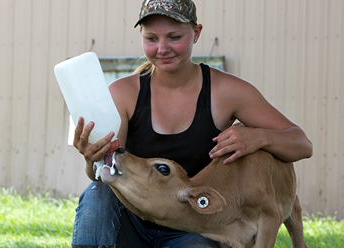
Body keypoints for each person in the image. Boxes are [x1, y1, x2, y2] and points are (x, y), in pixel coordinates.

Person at [70, 0, 313, 247]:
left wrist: (259, 137)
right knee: (97, 195)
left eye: (174, 37)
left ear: (196, 33)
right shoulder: (123, 92)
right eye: (151, 39)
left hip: (194, 229)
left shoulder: (227, 91)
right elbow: (106, 172)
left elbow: (302, 144)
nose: (162, 48)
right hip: (134, 220)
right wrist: (92, 159)